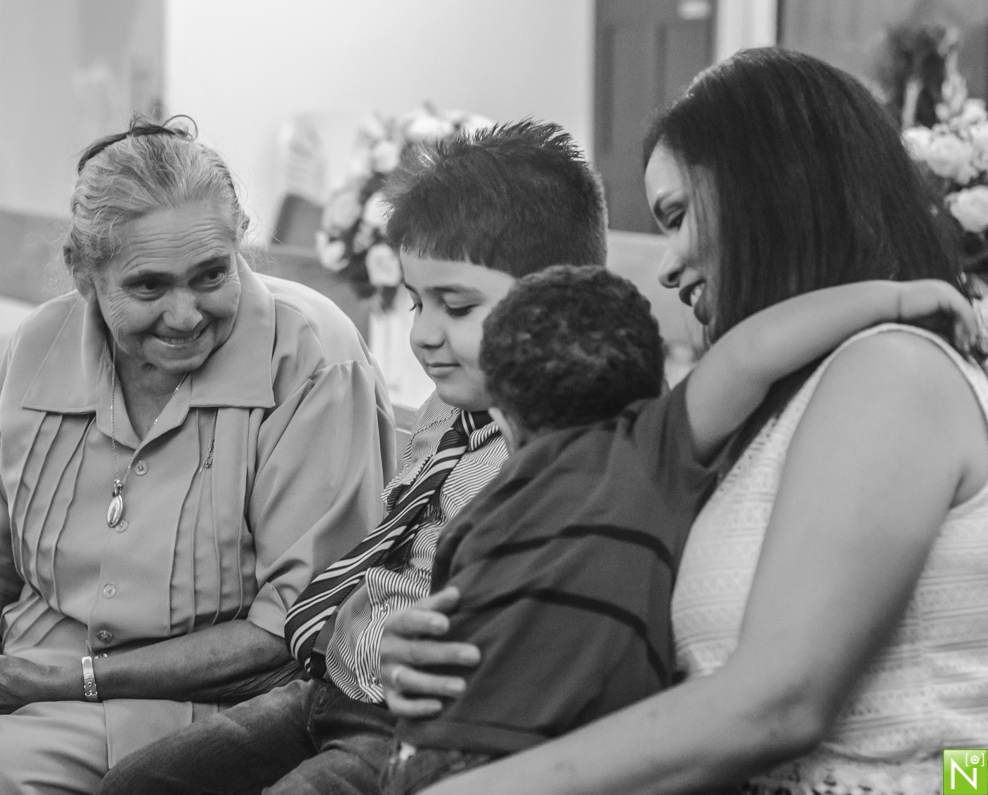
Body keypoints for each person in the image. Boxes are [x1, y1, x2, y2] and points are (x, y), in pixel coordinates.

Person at [378, 47, 988, 795]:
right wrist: (468, 641)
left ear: (772, 198)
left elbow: (781, 703)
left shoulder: (890, 371)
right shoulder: (758, 411)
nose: (664, 267)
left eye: (673, 217)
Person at [0, 115, 396, 795]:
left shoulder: (313, 356)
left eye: (210, 274)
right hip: (2, 673)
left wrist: (58, 679)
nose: (187, 313)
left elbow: (294, 628)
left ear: (240, 241)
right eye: (148, 286)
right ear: (84, 273)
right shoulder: (38, 345)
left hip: (181, 709)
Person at [95, 120, 609, 795]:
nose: (424, 336)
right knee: (138, 784)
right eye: (417, 301)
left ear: (559, 297)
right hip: (331, 683)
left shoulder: (566, 452)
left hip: (413, 725)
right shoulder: (453, 408)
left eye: (454, 306)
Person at [381, 264, 981, 795]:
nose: (671, 263)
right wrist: (894, 299)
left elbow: (442, 620)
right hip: (540, 764)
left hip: (434, 749)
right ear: (659, 387)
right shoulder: (650, 447)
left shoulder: (487, 506)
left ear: (505, 422)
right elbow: (751, 353)